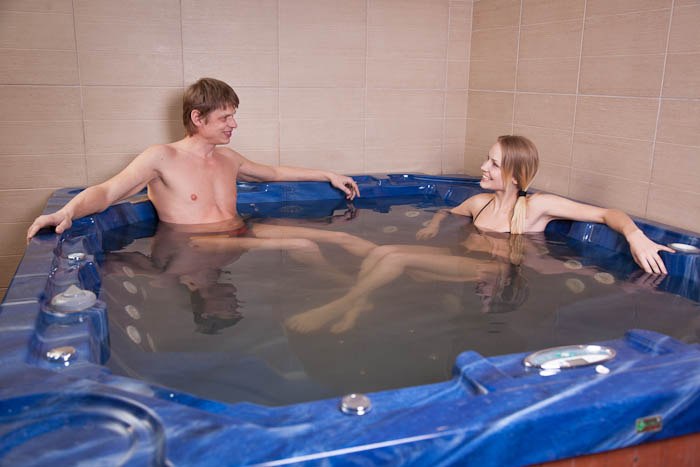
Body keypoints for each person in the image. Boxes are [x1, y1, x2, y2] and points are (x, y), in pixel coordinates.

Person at [26, 77, 360, 241]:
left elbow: (272, 172)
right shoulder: (162, 157)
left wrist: (328, 174)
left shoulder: (228, 158)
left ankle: (352, 291)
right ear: (198, 118)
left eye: (233, 116)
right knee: (304, 246)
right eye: (225, 117)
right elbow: (108, 192)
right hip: (196, 246)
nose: (234, 124)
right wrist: (66, 212)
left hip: (238, 234)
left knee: (338, 237)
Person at [416, 135, 673, 274]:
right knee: (391, 252)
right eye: (487, 159)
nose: (483, 167)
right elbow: (446, 211)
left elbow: (607, 214)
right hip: (466, 261)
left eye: (494, 164)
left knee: (398, 257)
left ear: (515, 176)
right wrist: (433, 225)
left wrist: (634, 235)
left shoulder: (536, 206)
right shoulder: (479, 203)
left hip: (490, 271)